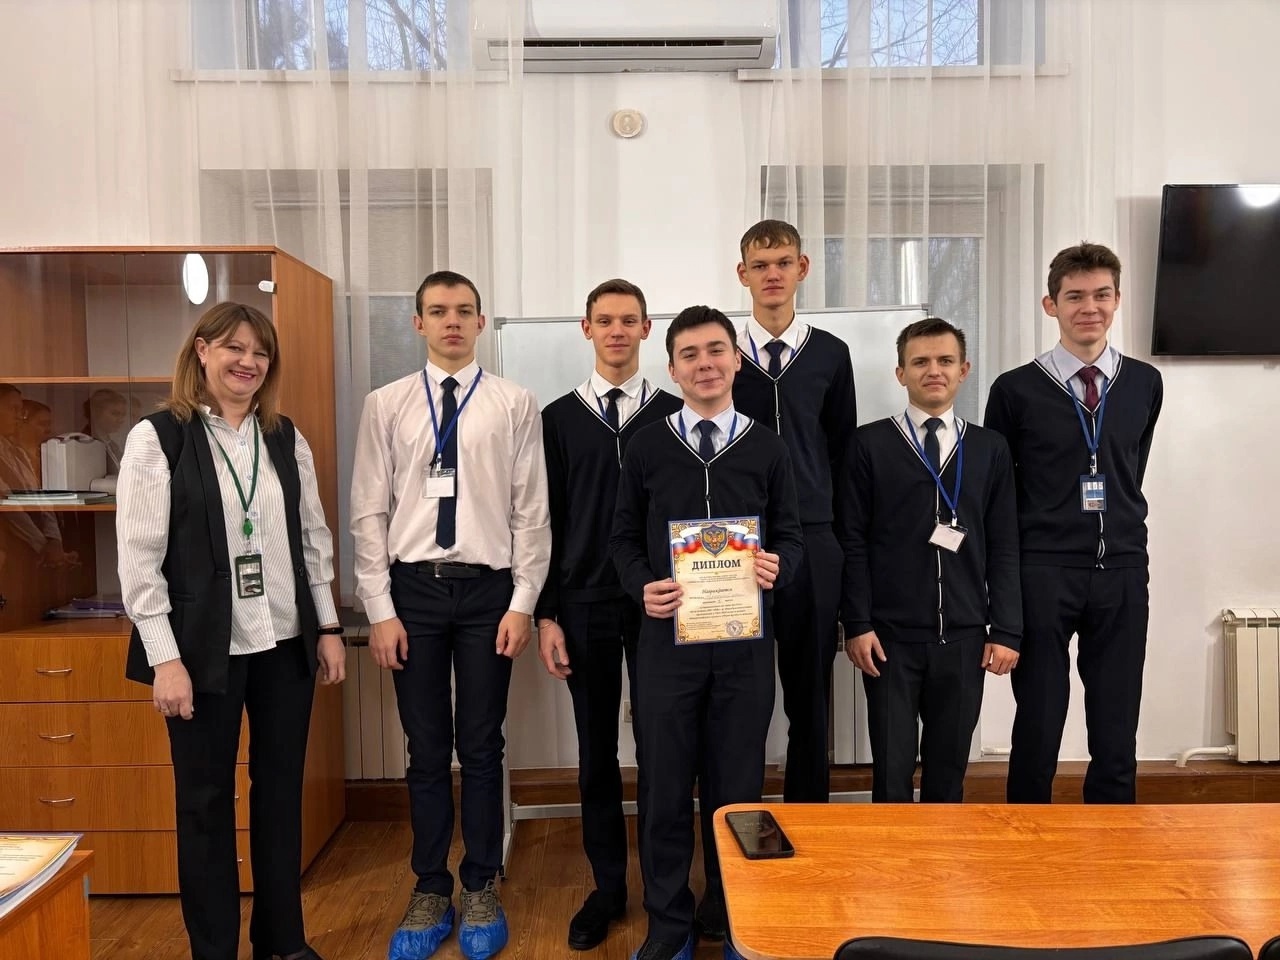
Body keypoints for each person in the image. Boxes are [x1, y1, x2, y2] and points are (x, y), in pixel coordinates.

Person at [116, 302, 346, 960]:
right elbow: (139, 561)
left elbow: (312, 538)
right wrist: (165, 660)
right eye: (234, 348)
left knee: (280, 794)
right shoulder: (158, 438)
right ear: (202, 352)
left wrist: (328, 625)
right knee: (205, 802)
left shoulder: (285, 437)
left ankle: (282, 940)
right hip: (198, 652)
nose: (248, 362)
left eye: (260, 352)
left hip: (284, 643)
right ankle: (214, 950)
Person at [350, 270, 550, 960]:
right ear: (418, 324)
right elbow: (368, 511)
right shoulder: (386, 405)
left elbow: (531, 512)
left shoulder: (514, 403)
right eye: (438, 311)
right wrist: (379, 608)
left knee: (484, 744)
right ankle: (431, 887)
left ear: (482, 322)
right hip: (413, 594)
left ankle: (481, 883)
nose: (452, 322)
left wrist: (523, 602)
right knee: (427, 747)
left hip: (490, 593)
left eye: (464, 310)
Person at [611, 305, 804, 960]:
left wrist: (779, 565)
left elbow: (794, 537)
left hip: (745, 648)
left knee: (739, 788)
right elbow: (621, 539)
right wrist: (642, 584)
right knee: (664, 787)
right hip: (667, 647)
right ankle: (668, 925)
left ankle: (734, 914)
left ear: (736, 360)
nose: (705, 364)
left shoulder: (767, 446)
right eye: (689, 354)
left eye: (716, 350)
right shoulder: (647, 446)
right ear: (672, 369)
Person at [985, 242, 1162, 804]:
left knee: (1117, 719)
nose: (1090, 307)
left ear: (1117, 300)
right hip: (1043, 570)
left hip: (1123, 570)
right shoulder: (1014, 389)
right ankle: (1026, 829)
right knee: (1039, 716)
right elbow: (1000, 494)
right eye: (1075, 296)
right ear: (1051, 305)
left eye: (1102, 295)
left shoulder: (1144, 382)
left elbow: (1130, 468)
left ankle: (1113, 830)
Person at [535, 279, 681, 951]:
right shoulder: (558, 419)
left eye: (629, 320)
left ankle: (664, 889)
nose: (617, 331)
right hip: (584, 602)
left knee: (661, 749)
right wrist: (547, 614)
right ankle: (608, 887)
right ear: (586, 329)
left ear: (647, 329)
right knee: (596, 751)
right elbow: (544, 521)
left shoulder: (677, 415)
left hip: (660, 603)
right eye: (605, 320)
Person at [844, 317, 1021, 802]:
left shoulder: (990, 449)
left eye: (945, 360)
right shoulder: (869, 444)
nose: (933, 371)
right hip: (889, 641)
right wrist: (857, 623)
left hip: (965, 638)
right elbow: (853, 541)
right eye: (920, 362)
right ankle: (894, 854)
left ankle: (943, 853)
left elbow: (1005, 544)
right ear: (900, 373)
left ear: (964, 369)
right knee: (891, 771)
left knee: (948, 773)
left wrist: (1007, 629)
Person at [732, 220, 857, 809]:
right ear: (743, 275)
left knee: (810, 693)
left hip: (812, 539)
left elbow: (841, 450)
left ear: (802, 268)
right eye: (760, 265)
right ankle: (740, 814)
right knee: (744, 694)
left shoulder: (831, 354)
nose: (773, 274)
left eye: (783, 262)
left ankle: (809, 816)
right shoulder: (722, 354)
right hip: (737, 544)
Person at [0, 383, 74, 567]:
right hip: (11, 547)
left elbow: (39, 498)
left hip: (34, 549)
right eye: (13, 409)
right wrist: (43, 545)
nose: (19, 416)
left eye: (21, 410)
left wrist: (54, 540)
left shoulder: (17, 453)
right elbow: (8, 506)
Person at [82, 387, 129, 472]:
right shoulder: (85, 443)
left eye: (123, 415)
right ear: (96, 412)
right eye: (115, 413)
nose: (121, 419)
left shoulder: (113, 445)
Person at [17, 398, 54, 480]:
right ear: (22, 424)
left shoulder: (49, 453)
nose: (48, 430)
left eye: (49, 424)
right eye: (42, 424)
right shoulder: (11, 456)